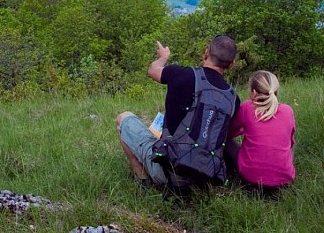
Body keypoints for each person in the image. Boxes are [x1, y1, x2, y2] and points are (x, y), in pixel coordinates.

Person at [116, 35, 240, 189]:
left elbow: (153, 71)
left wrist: (164, 57)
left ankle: (142, 178)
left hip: (169, 172)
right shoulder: (233, 99)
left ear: (206, 52)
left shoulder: (181, 74)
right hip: (206, 178)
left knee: (124, 118)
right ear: (232, 65)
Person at [227, 70, 296, 193]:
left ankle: (227, 175)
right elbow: (290, 142)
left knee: (226, 142)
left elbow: (230, 132)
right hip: (283, 182)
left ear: (254, 92)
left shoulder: (247, 108)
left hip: (251, 180)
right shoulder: (288, 111)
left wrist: (244, 130)